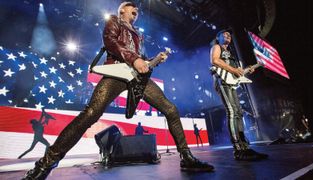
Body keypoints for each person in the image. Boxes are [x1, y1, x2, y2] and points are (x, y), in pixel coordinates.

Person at [23, 2, 213, 179]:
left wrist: (154, 59)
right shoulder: (114, 21)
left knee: (171, 109)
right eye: (132, 8)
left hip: (136, 77)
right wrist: (134, 59)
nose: (136, 11)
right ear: (122, 10)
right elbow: (111, 42)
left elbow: (141, 59)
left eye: (137, 10)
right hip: (116, 72)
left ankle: (186, 158)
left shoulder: (138, 34)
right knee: (91, 113)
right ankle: (45, 164)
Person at [210, 29, 268, 161]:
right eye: (224, 34)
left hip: (231, 83)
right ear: (217, 38)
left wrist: (247, 70)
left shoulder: (231, 54)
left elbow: (237, 73)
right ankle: (237, 148)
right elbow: (215, 61)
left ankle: (244, 146)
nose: (228, 36)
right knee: (231, 111)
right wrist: (234, 70)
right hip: (222, 81)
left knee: (238, 112)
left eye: (229, 35)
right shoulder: (216, 47)